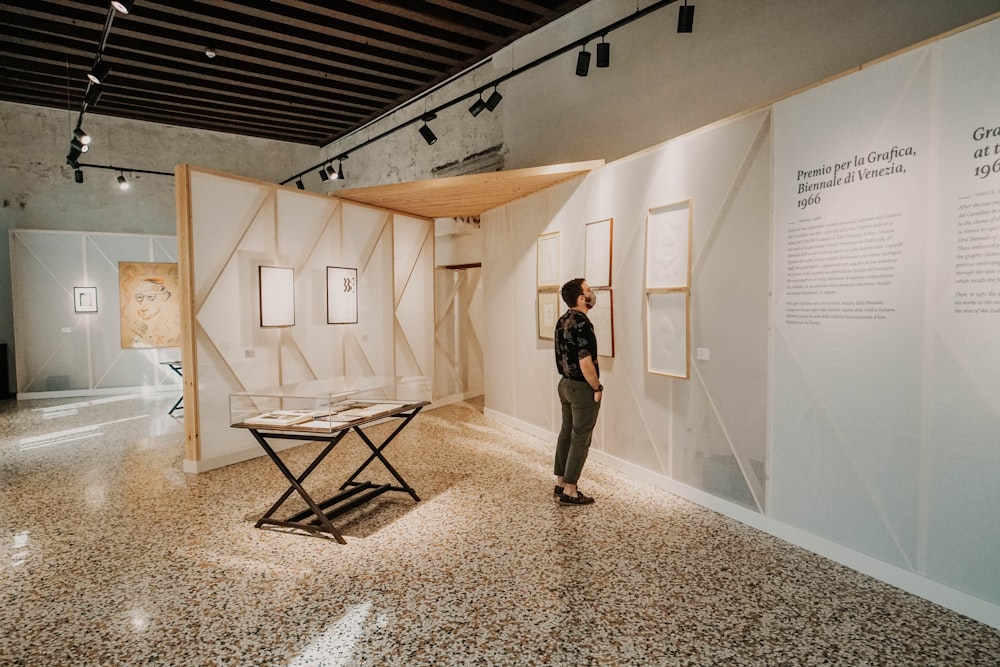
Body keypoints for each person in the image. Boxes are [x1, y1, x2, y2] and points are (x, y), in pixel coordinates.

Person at [553, 278, 603, 506]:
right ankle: (571, 490)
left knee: (566, 432)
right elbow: (585, 361)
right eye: (589, 290)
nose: (592, 293)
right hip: (582, 387)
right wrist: (597, 387)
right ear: (582, 298)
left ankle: (561, 481)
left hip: (564, 384)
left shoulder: (562, 320)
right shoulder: (583, 324)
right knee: (580, 437)